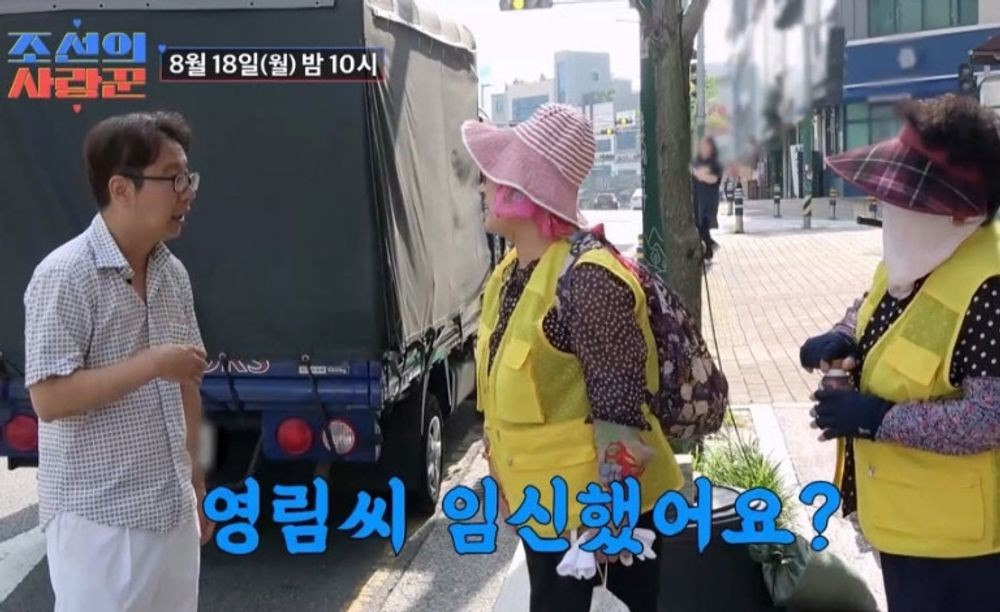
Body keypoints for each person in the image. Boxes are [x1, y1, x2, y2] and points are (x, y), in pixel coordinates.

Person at [461, 103, 688, 612]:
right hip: (546, 513)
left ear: (522, 191)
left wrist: (610, 523)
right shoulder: (510, 276)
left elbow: (620, 414)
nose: (481, 187)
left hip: (594, 527)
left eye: (493, 175)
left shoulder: (587, 281)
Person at [800, 94, 1000, 611]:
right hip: (906, 527)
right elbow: (875, 307)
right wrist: (843, 335)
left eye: (906, 201)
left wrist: (876, 418)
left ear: (958, 215)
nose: (889, 210)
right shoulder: (913, 258)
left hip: (964, 550)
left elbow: (989, 417)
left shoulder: (990, 287)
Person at [23, 111, 212, 612]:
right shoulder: (66, 275)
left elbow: (187, 384)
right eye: (173, 179)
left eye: (188, 177)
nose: (187, 192)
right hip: (99, 520)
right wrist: (153, 363)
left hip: (172, 508)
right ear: (121, 189)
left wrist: (196, 482)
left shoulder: (172, 274)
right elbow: (48, 398)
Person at [691, 136, 723, 261]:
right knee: (698, 224)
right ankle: (709, 248)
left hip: (709, 199)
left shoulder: (715, 163)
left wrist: (701, 176)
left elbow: (715, 179)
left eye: (706, 146)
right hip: (697, 198)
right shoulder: (697, 161)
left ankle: (709, 249)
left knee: (704, 223)